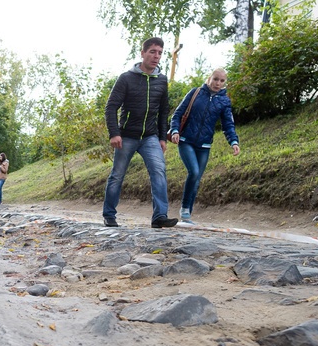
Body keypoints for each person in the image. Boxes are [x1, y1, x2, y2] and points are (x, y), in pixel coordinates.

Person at [103, 37, 177, 229]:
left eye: (160, 53)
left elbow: (163, 111)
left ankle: (159, 216)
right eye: (152, 51)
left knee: (159, 171)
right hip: (126, 135)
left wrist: (162, 137)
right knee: (117, 175)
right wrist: (114, 133)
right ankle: (109, 215)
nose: (156, 56)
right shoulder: (126, 78)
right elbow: (111, 107)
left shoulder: (161, 80)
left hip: (150, 137)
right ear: (143, 53)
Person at [170, 68, 240, 224]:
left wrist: (233, 142)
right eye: (216, 79)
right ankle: (184, 209)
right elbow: (178, 113)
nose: (218, 83)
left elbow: (228, 124)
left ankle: (187, 213)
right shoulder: (195, 93)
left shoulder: (224, 101)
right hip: (186, 140)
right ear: (209, 78)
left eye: (222, 81)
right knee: (193, 172)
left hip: (205, 145)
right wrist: (175, 130)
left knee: (197, 179)